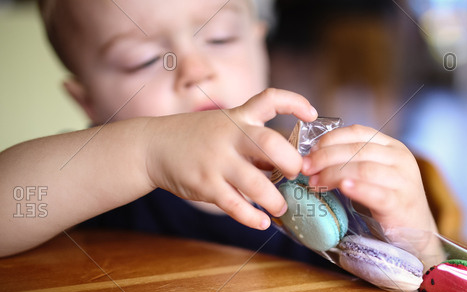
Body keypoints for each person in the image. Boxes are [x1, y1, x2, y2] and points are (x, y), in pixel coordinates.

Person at [0, 0, 443, 269]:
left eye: (220, 38)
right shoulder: (84, 181)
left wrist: (417, 243)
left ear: (259, 45)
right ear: (88, 101)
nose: (193, 69)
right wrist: (145, 154)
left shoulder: (317, 181)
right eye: (143, 60)